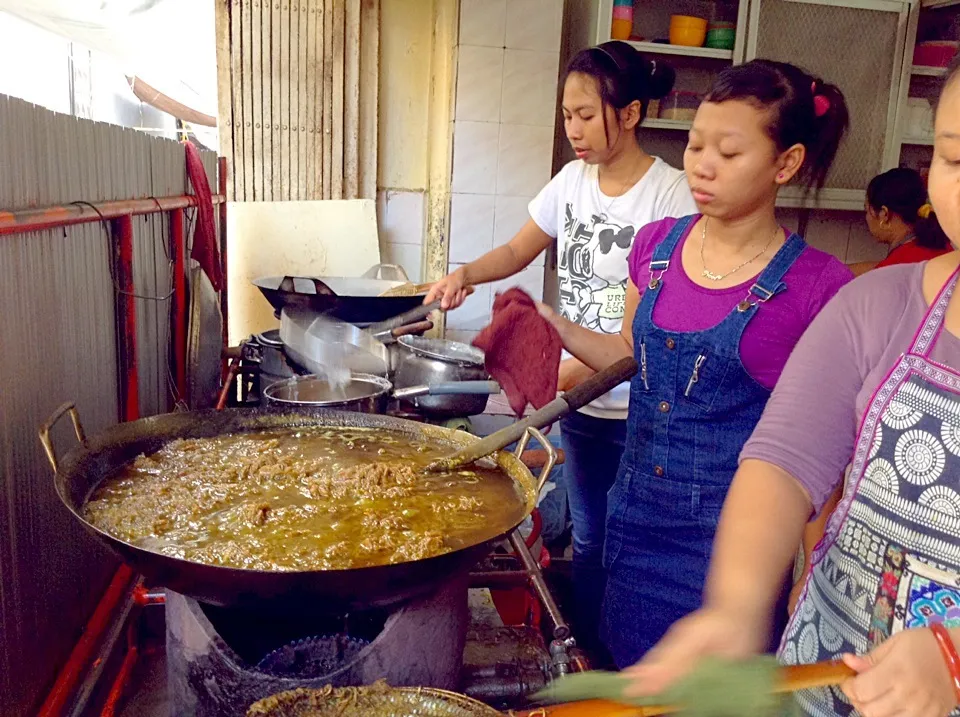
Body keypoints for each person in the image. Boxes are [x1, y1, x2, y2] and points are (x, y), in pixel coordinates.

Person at [626, 56, 960, 717]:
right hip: (817, 676)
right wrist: (735, 606)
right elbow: (782, 460)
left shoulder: (811, 281)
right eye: (957, 159)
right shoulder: (878, 304)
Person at [536, 59, 854, 667]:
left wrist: (808, 579)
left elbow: (824, 458)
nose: (702, 166)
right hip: (633, 524)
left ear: (785, 163)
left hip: (734, 551)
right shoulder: (655, 246)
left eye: (728, 153)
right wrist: (554, 326)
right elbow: (631, 356)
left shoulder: (818, 286)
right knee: (630, 677)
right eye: (695, 144)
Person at [426, 41, 696, 656]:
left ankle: (617, 658)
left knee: (628, 542)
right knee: (593, 539)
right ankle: (592, 657)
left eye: (584, 114)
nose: (572, 128)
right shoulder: (572, 181)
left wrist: (563, 365)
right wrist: (465, 274)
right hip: (580, 400)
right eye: (566, 114)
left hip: (636, 404)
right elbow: (520, 249)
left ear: (628, 115)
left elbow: (641, 340)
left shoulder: (668, 197)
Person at [849, 167, 951, 276]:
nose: (867, 217)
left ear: (884, 214)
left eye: (867, 210)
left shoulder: (891, 271)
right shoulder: (945, 249)